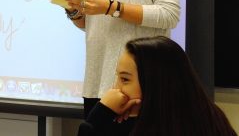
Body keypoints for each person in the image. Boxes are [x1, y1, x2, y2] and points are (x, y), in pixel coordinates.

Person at [77, 36, 238, 136]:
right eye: (117, 77)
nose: (115, 89)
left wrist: (98, 116)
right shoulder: (208, 116)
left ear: (154, 83)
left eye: (125, 80)